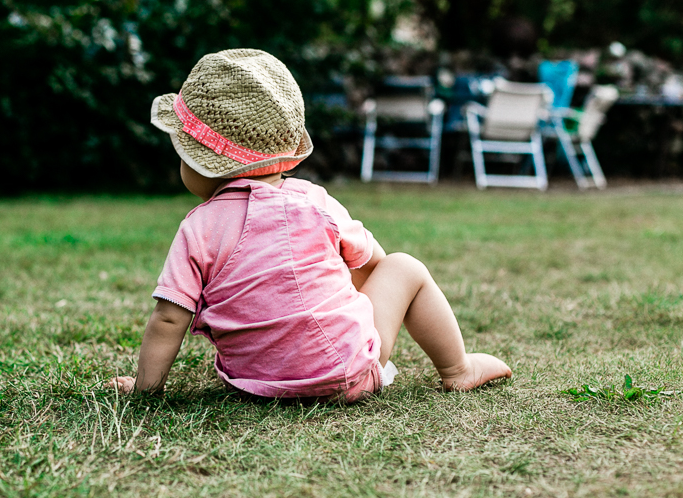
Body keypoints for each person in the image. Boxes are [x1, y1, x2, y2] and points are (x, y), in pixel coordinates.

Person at [109, 49, 511, 402]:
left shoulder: (197, 228)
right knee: (403, 267)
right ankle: (457, 369)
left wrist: (146, 389)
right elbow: (373, 264)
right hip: (348, 373)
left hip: (251, 381)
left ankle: (455, 369)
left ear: (200, 159)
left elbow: (168, 318)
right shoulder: (315, 202)